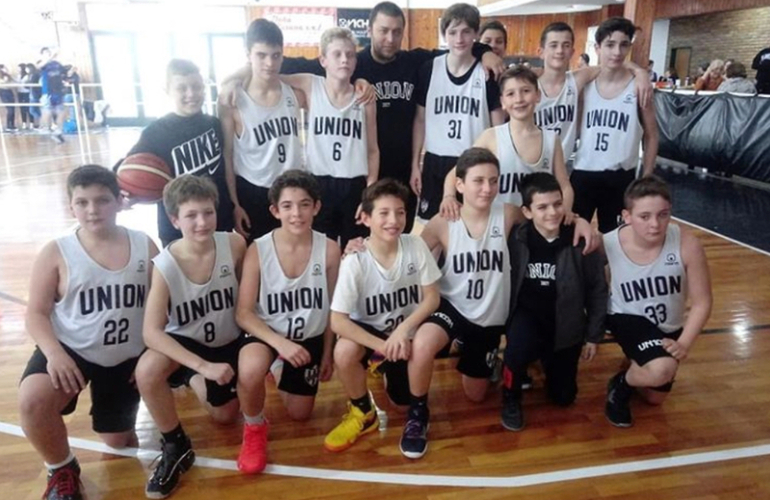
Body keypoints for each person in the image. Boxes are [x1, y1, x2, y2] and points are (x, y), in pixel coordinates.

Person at [220, 2, 505, 234]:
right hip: (356, 174)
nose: (389, 38)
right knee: (351, 240)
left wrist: (486, 52)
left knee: (396, 233)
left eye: (396, 32)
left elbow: (457, 45)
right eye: (383, 31)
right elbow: (276, 65)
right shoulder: (349, 64)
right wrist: (236, 77)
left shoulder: (415, 61)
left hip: (400, 168)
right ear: (370, 30)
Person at [18, 165, 157, 500]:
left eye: (102, 200)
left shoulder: (144, 246)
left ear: (119, 202)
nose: (92, 210)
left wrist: (151, 356)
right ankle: (62, 468)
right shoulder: (57, 251)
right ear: (71, 206)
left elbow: (161, 309)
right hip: (72, 351)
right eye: (82, 202)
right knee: (33, 401)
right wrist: (54, 354)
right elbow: (36, 313)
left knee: (118, 441)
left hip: (126, 358)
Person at [135, 175, 247, 499]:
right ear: (174, 219)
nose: (202, 222)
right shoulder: (166, 264)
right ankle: (175, 444)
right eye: (191, 215)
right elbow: (151, 331)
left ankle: (189, 377)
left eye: (208, 213)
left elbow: (249, 298)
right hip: (188, 341)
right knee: (148, 370)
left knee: (226, 417)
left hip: (227, 337)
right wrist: (204, 365)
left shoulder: (234, 244)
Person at [403, 148, 516, 458]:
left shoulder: (507, 214)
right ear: (460, 185)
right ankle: (417, 414)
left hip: (490, 316)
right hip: (453, 305)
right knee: (423, 343)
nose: (487, 188)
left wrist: (579, 221)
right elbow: (408, 256)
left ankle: (482, 356)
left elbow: (546, 216)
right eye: (478, 181)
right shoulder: (443, 221)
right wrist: (364, 244)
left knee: (476, 396)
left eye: (493, 181)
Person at [234, 170, 340, 474]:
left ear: (316, 207)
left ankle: (279, 366)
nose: (297, 213)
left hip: (308, 336)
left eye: (305, 204)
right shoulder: (259, 249)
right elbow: (243, 313)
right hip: (267, 333)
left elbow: (335, 307)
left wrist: (327, 352)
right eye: (289, 206)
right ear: (275, 210)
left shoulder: (330, 250)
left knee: (300, 414)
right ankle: (254, 427)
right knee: (251, 369)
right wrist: (279, 343)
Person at [325, 179, 441, 453]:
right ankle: (363, 412)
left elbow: (432, 298)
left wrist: (403, 330)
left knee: (401, 405)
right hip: (373, 333)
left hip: (404, 332)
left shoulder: (415, 245)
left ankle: (384, 367)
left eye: (400, 212)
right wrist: (383, 347)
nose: (394, 220)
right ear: (365, 218)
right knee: (344, 351)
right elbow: (338, 321)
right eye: (384, 213)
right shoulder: (356, 259)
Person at [500, 172, 607, 431]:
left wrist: (593, 335)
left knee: (563, 398)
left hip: (566, 324)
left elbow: (597, 289)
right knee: (515, 353)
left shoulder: (581, 241)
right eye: (542, 207)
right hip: (528, 318)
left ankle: (545, 359)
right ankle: (510, 395)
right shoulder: (516, 239)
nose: (552, 212)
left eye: (558, 204)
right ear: (527, 211)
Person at [603, 175, 712, 428]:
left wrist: (684, 342)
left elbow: (702, 302)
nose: (655, 224)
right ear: (626, 216)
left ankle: (632, 368)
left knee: (654, 397)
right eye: (645, 216)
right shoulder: (607, 244)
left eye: (663, 215)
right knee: (661, 369)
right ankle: (620, 388)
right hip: (628, 318)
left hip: (668, 326)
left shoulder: (687, 243)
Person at [279, 27, 379, 249]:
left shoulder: (364, 97)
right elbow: (271, 74)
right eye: (337, 54)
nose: (345, 60)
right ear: (323, 59)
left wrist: (369, 193)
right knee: (322, 250)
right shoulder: (310, 84)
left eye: (350, 54)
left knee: (357, 250)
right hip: (319, 184)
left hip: (354, 185)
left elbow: (373, 149)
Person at [121, 59, 234, 247]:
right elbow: (127, 168)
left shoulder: (214, 124)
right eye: (182, 88)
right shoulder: (155, 133)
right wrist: (124, 194)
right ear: (167, 90)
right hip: (176, 226)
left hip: (218, 218)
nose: (191, 94)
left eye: (197, 87)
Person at [411, 3, 506, 222]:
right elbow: (419, 120)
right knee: (432, 227)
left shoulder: (487, 73)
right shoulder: (429, 69)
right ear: (445, 35)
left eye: (466, 31)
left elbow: (498, 129)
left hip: (473, 163)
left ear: (475, 34)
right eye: (452, 32)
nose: (459, 38)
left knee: (470, 227)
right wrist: (415, 165)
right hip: (435, 161)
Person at [440, 66, 574, 219]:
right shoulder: (491, 137)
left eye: (526, 91)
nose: (519, 99)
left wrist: (566, 210)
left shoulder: (551, 139)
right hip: (498, 225)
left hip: (537, 227)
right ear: (503, 102)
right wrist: (448, 197)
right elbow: (455, 173)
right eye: (511, 94)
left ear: (538, 95)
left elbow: (564, 185)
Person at [218, 19, 303, 244]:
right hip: (253, 192)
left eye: (276, 55)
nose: (269, 63)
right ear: (248, 55)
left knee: (293, 255)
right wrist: (235, 204)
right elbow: (227, 156)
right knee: (257, 261)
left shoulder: (295, 92)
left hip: (291, 189)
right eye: (261, 55)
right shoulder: (232, 100)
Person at [571, 17, 659, 233]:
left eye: (623, 45)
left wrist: (646, 175)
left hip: (620, 176)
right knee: (571, 235)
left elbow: (652, 135)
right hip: (584, 172)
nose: (617, 52)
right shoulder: (585, 84)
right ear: (597, 48)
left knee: (615, 240)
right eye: (610, 45)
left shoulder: (639, 88)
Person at [533, 22, 650, 169]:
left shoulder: (577, 80)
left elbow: (612, 62)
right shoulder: (527, 85)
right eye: (553, 45)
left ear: (572, 52)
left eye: (566, 45)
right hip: (527, 164)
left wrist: (640, 72)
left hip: (558, 167)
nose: (560, 50)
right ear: (541, 51)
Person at [38, 48, 67, 143]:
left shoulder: (57, 64)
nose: (48, 54)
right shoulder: (43, 64)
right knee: (47, 111)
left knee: (62, 112)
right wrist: (50, 58)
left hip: (58, 92)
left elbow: (64, 73)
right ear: (42, 55)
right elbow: (39, 66)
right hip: (48, 92)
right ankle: (45, 128)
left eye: (49, 53)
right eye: (45, 53)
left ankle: (58, 132)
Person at [17, 63, 33, 129]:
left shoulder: (28, 76)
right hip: (20, 93)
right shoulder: (18, 76)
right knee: (22, 108)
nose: (18, 70)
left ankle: (31, 123)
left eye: (19, 68)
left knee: (29, 108)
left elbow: (28, 84)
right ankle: (24, 123)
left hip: (27, 93)